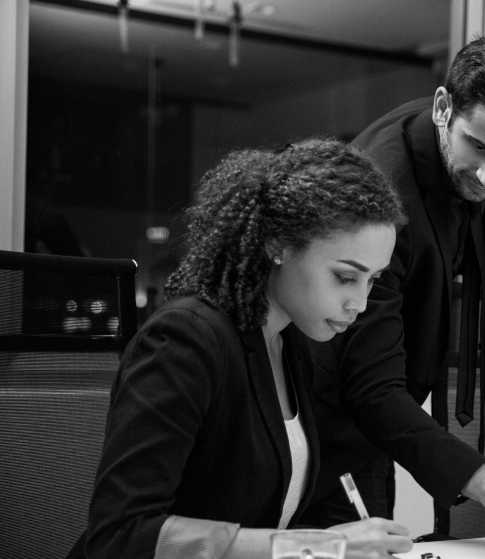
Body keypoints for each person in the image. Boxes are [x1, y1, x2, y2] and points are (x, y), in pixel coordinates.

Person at [303, 34, 485, 559]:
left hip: (375, 422)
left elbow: (450, 225)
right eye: (478, 148)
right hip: (322, 428)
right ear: (441, 107)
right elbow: (370, 388)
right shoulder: (380, 197)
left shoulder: (465, 138)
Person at [72, 139, 414, 559]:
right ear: (278, 245)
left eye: (373, 280)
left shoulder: (289, 344)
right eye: (345, 277)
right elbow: (123, 535)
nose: (359, 305)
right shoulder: (185, 339)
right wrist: (320, 546)